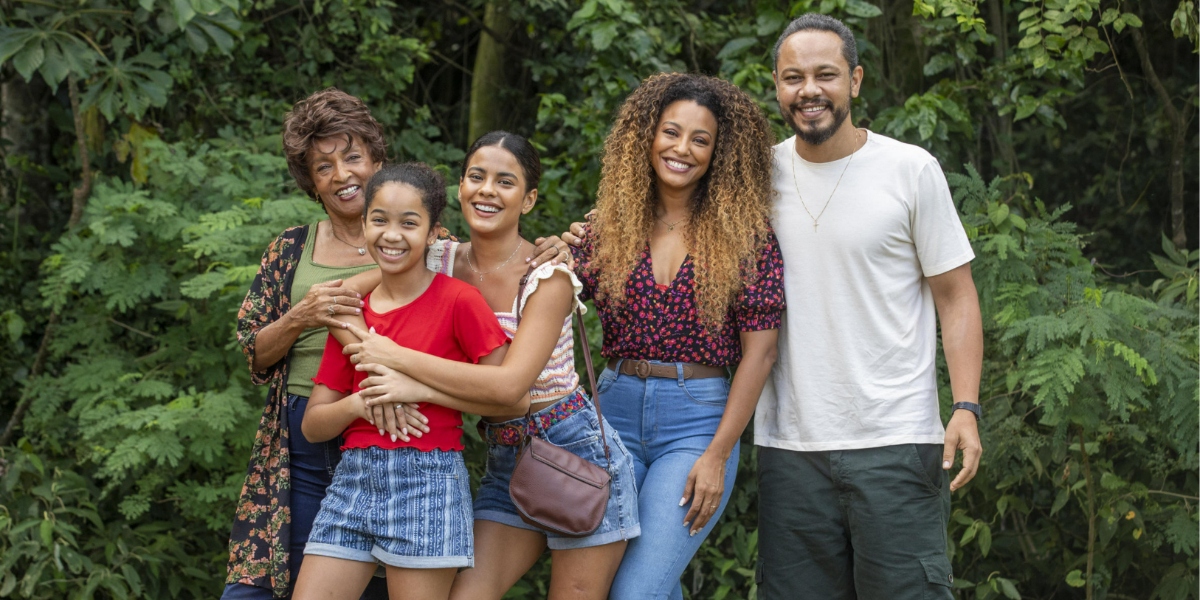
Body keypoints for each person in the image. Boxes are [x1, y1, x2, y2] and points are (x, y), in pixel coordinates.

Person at [331, 131, 640, 599]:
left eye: (505, 181)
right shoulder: (436, 258)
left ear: (529, 198)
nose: (487, 190)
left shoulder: (548, 276)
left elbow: (509, 388)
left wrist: (399, 367)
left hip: (577, 452)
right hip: (505, 457)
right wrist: (377, 371)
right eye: (476, 176)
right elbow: (335, 304)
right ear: (460, 187)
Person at [755, 13, 984, 600]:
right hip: (789, 445)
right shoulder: (756, 177)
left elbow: (955, 295)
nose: (809, 90)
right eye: (793, 77)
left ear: (855, 80)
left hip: (896, 441)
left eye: (825, 74)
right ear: (777, 87)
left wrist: (965, 406)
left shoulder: (909, 170)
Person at [565, 73, 784, 599]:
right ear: (646, 137)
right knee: (623, 585)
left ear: (718, 153)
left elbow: (761, 352)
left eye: (700, 139)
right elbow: (546, 299)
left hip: (698, 421)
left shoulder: (746, 236)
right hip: (610, 412)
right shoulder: (605, 228)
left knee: (636, 592)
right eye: (670, 132)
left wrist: (717, 453)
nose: (681, 149)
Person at [293, 162, 511, 600]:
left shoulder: (459, 301)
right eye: (379, 220)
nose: (392, 235)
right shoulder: (353, 317)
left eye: (409, 223)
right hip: (351, 481)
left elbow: (505, 395)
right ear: (366, 223)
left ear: (433, 233)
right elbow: (313, 425)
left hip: (428, 482)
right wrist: (361, 402)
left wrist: (417, 387)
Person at [224, 88, 390, 600]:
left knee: (370, 586)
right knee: (258, 589)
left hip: (385, 434)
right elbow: (254, 351)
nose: (342, 175)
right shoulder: (291, 247)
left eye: (353, 157)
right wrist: (300, 315)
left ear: (377, 161)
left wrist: (550, 247)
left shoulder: (422, 238)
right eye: (324, 167)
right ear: (310, 183)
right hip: (298, 442)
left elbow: (490, 278)